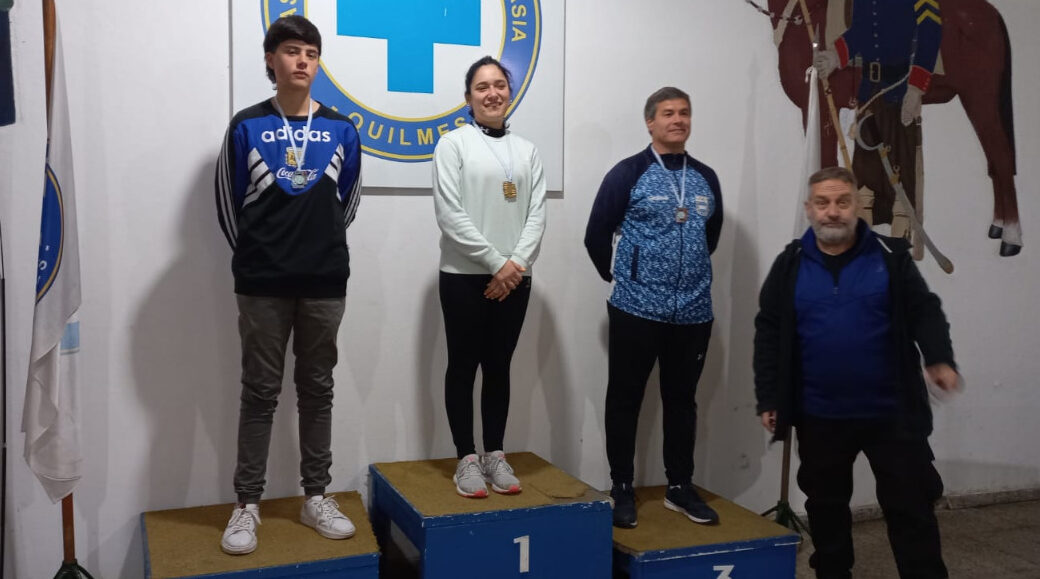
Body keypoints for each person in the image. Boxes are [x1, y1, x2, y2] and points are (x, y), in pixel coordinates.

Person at [754, 166, 959, 578]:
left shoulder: (890, 256)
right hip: (819, 415)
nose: (833, 211)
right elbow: (769, 332)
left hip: (892, 413)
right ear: (809, 209)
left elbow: (925, 311)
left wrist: (939, 358)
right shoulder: (790, 263)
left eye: (842, 202)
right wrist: (770, 397)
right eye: (823, 203)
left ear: (856, 207)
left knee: (912, 510)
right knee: (826, 513)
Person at [214, 15, 362, 555]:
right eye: (293, 50)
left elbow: (346, 205)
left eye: (311, 53)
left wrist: (314, 250)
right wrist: (261, 259)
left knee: (317, 391)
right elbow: (228, 206)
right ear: (270, 60)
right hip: (262, 284)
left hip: (324, 281)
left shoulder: (343, 129)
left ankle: (315, 495)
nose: (303, 61)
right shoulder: (246, 125)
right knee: (259, 392)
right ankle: (247, 504)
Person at [584, 87, 723, 528]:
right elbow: (596, 234)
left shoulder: (705, 177)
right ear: (650, 122)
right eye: (667, 113)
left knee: (682, 401)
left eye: (684, 112)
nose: (677, 120)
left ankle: (679, 486)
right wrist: (624, 277)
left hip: (693, 312)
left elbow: (710, 236)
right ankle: (621, 486)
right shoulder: (628, 173)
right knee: (625, 398)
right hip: (636, 309)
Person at [432, 56, 547, 499]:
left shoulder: (528, 151)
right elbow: (450, 214)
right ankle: (466, 458)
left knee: (499, 366)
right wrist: (497, 263)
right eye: (482, 87)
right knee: (463, 365)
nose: (492, 93)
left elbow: (536, 215)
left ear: (509, 93)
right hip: (464, 276)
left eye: (499, 85)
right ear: (468, 98)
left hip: (514, 279)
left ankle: (495, 454)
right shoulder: (452, 145)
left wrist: (514, 265)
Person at [813, 0, 942, 228]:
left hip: (899, 93)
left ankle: (902, 238)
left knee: (901, 185)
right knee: (865, 184)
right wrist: (834, 56)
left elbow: (930, 30)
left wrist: (916, 88)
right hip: (869, 93)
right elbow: (860, 30)